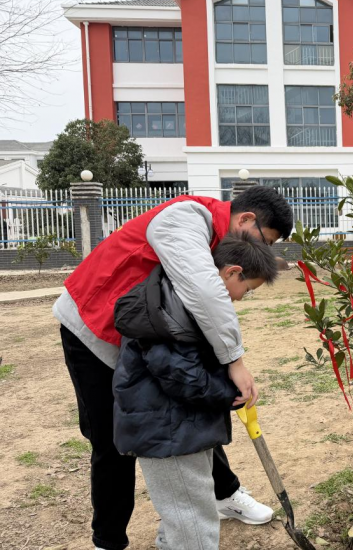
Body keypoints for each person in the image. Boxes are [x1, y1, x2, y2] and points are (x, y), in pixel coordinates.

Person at [53, 186, 293, 550]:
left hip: (146, 336)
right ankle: (108, 540)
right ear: (246, 219)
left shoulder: (222, 242)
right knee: (112, 439)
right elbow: (204, 291)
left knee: (187, 418)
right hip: (93, 325)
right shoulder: (185, 219)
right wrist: (234, 362)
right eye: (267, 240)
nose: (264, 249)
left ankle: (223, 494)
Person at [113, 232, 278, 550]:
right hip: (167, 432)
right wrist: (228, 393)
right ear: (231, 272)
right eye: (247, 289)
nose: (241, 298)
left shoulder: (187, 298)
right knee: (192, 521)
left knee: (185, 508)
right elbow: (181, 375)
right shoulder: (172, 305)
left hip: (180, 425)